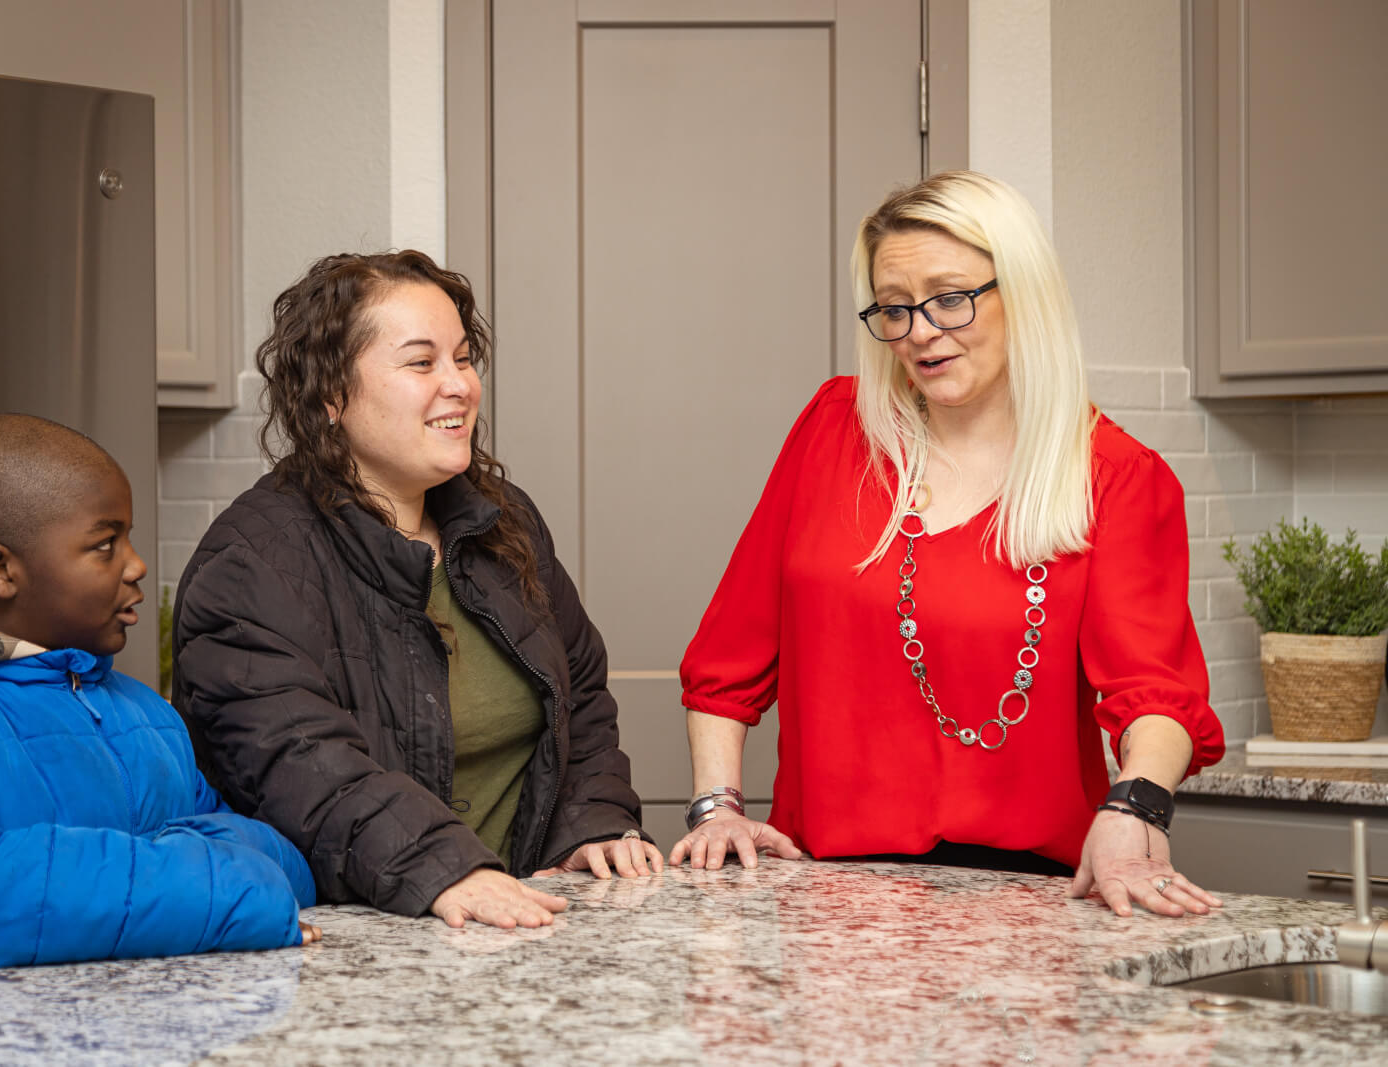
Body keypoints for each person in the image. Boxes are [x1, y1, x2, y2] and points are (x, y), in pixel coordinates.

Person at [670, 171, 1226, 918]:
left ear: (1022, 293)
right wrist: (717, 808)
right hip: (825, 897)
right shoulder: (835, 431)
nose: (920, 331)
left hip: (1024, 900)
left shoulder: (1116, 478)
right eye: (894, 307)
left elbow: (1155, 695)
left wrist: (1135, 810)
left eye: (950, 297)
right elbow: (726, 661)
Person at [172, 250, 659, 931]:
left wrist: (592, 826)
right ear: (330, 396)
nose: (460, 385)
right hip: (352, 946)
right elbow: (299, 765)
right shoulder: (248, 565)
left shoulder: (506, 520)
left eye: (463, 358)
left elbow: (580, 699)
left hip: (524, 923)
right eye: (422, 363)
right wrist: (447, 868)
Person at [0, 415, 319, 972]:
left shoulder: (146, 715)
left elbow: (278, 861)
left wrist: (177, 876)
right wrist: (196, 880)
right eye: (105, 544)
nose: (137, 565)